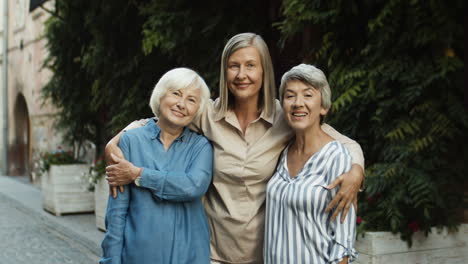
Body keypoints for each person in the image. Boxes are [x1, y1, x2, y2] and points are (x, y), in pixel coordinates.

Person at [105, 33, 364, 264]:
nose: (242, 75)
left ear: (264, 72)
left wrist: (356, 172)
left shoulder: (285, 116)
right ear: (224, 72)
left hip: (265, 254)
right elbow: (164, 116)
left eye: (251, 65)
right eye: (234, 66)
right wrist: (115, 143)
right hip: (214, 252)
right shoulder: (207, 114)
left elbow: (340, 142)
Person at [100, 68, 213, 264]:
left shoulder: (201, 146)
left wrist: (139, 174)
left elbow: (193, 186)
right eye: (176, 93)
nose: (181, 104)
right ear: (161, 95)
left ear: (197, 109)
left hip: (190, 256)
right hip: (137, 257)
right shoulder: (130, 142)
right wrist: (111, 260)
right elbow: (116, 214)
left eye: (191, 100)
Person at [264, 64, 357, 263]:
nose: (298, 103)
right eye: (290, 96)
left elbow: (343, 244)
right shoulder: (282, 152)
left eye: (308, 95)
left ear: (324, 106)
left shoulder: (337, 158)